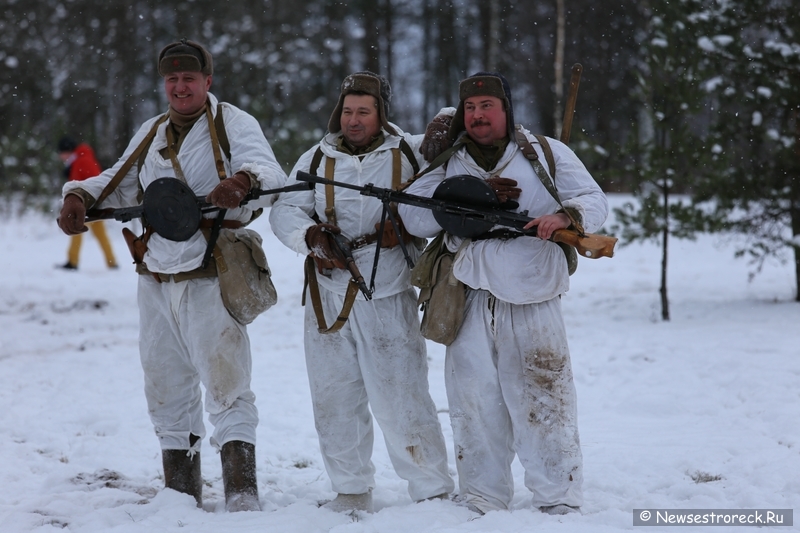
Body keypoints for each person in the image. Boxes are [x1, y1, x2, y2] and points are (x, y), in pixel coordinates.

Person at [56, 39, 287, 512]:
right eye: (172, 79)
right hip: (155, 275)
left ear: (208, 80)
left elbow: (271, 172)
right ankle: (180, 495)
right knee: (164, 384)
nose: (180, 87)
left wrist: (241, 182)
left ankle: (243, 495)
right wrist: (78, 195)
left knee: (227, 385)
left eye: (189, 78)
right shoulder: (153, 130)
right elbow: (117, 180)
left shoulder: (234, 124)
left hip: (210, 273)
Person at [399, 72, 609, 515]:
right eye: (470, 109)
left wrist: (566, 216)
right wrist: (467, 196)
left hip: (532, 286)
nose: (478, 116)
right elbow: (413, 217)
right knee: (473, 401)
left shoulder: (545, 151)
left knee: (544, 394)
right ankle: (483, 495)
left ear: (506, 110)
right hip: (468, 292)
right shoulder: (449, 160)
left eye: (487, 106)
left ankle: (559, 496)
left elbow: (593, 199)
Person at [269, 71, 454, 513]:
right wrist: (311, 237)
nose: (354, 120)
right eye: (348, 111)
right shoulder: (315, 158)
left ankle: (431, 490)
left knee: (402, 395)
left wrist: (406, 224)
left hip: (388, 292)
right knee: (334, 397)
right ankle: (350, 488)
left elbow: (445, 173)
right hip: (327, 296)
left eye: (364, 112)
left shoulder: (409, 152)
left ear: (380, 114)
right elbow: (286, 210)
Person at [56, 136, 118, 270]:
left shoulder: (81, 161)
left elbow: (89, 182)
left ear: (68, 151)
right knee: (98, 234)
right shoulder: (80, 159)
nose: (60, 156)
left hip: (88, 205)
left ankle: (73, 261)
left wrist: (83, 200)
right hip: (91, 204)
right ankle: (111, 262)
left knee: (76, 230)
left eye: (61, 152)